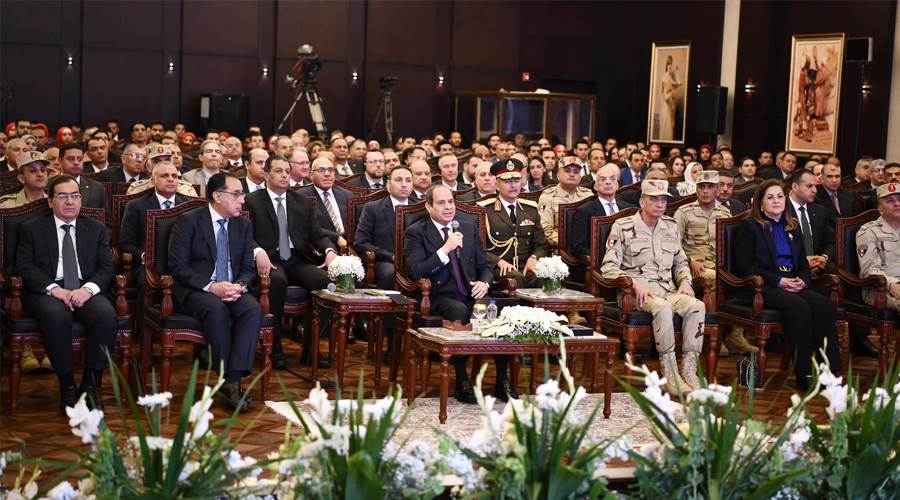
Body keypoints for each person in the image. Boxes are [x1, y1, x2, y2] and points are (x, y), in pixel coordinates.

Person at [403, 185, 515, 403]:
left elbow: (484, 265)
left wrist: (484, 282)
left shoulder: (467, 227)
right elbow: (416, 271)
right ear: (428, 207)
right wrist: (445, 249)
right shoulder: (416, 232)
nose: (448, 207)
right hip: (438, 295)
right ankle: (462, 380)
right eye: (441, 203)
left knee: (502, 309)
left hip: (471, 291)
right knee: (460, 310)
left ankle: (502, 380)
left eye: (451, 202)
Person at [16, 175, 118, 412]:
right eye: (62, 196)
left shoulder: (96, 228)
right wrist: (55, 289)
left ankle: (90, 385)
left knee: (105, 315)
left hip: (85, 288)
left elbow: (107, 267)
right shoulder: (31, 228)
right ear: (50, 201)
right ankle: (67, 386)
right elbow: (24, 267)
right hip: (47, 291)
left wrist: (87, 290)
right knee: (56, 315)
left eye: (75, 195)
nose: (70, 202)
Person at [733, 179, 841, 391]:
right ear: (760, 203)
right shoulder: (750, 226)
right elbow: (744, 266)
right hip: (764, 286)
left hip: (793, 281)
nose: (776, 201)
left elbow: (802, 263)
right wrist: (779, 281)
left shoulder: (792, 226)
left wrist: (803, 280)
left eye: (780, 196)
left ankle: (829, 371)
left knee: (824, 305)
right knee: (798, 307)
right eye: (770, 197)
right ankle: (804, 373)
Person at [601, 179, 705, 396]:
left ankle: (689, 369)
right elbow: (608, 268)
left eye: (663, 200)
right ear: (642, 201)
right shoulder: (623, 226)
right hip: (637, 294)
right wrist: (633, 283)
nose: (660, 204)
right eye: (654, 199)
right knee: (662, 308)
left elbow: (680, 262)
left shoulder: (671, 226)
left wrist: (685, 281)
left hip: (668, 290)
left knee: (697, 306)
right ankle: (670, 373)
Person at [168, 172, 263, 411]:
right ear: (217, 196)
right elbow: (178, 266)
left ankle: (232, 380)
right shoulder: (189, 221)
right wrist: (211, 287)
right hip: (197, 289)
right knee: (215, 307)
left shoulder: (243, 224)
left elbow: (248, 267)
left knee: (252, 309)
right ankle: (229, 380)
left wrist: (240, 285)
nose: (242, 200)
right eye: (236, 194)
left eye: (242, 194)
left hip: (231, 287)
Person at [244, 156, 338, 369]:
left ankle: (311, 348)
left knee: (325, 282)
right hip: (269, 259)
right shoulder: (252, 200)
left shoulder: (301, 202)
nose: (285, 175)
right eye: (279, 171)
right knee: (276, 282)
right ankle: (274, 347)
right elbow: (244, 234)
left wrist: (330, 251)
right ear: (267, 174)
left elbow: (318, 234)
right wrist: (257, 251)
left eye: (287, 171)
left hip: (297, 258)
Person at [477, 159, 548, 289]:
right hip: (498, 268)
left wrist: (533, 258)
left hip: (525, 265)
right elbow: (477, 248)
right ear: (497, 185)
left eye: (516, 180)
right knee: (516, 278)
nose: (513, 185)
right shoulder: (484, 210)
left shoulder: (530, 209)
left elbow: (541, 245)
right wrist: (498, 261)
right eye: (507, 181)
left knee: (543, 277)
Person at [355, 165, 412, 290]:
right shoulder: (372, 208)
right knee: (391, 273)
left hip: (415, 260)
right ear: (388, 185)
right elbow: (361, 242)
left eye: (408, 180)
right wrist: (390, 256)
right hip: (386, 260)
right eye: (398, 180)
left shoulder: (421, 207)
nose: (404, 184)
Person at [571, 164, 634, 257]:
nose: (608, 182)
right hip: (600, 259)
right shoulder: (584, 211)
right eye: (603, 179)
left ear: (617, 185)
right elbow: (578, 248)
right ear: (595, 186)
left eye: (612, 179)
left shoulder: (628, 209)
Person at [856, 182, 900, 315]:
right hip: (880, 289)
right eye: (890, 201)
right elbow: (869, 271)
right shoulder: (869, 232)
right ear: (880, 209)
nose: (897, 203)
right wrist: (892, 284)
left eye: (899, 199)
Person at [786, 168, 835, 276]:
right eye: (809, 186)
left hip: (818, 266)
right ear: (795, 187)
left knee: (834, 270)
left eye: (815, 186)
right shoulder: (781, 210)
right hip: (792, 266)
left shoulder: (820, 211)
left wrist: (824, 257)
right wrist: (803, 262)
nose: (815, 190)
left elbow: (831, 241)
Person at [538, 160, 593, 248]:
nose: (572, 174)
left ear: (580, 177)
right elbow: (546, 230)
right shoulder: (548, 196)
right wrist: (568, 245)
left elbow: (594, 226)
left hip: (586, 247)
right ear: (558, 175)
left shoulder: (588, 195)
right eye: (567, 171)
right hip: (560, 247)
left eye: (576, 172)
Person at [302, 156, 353, 250]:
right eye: (321, 170)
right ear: (311, 174)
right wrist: (336, 238)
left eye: (331, 170)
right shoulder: (302, 197)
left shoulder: (347, 195)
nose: (327, 174)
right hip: (320, 247)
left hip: (350, 245)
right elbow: (307, 226)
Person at [58, 143, 108, 213]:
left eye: (80, 159)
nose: (76, 162)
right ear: (60, 161)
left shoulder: (97, 188)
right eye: (71, 159)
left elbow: (106, 217)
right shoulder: (48, 185)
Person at [658, 55, 681, 141]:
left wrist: (677, 72)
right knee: (667, 126)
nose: (670, 66)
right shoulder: (665, 77)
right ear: (666, 65)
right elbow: (666, 95)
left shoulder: (669, 76)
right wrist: (671, 92)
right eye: (668, 64)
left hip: (671, 105)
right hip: (666, 106)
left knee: (671, 126)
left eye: (671, 63)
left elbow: (677, 84)